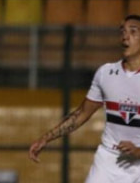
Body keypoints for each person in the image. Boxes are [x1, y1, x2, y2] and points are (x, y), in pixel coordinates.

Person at [29, 15, 140, 182]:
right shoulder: (106, 73)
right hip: (108, 161)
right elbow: (81, 113)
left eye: (133, 31)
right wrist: (46, 138)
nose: (125, 36)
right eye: (122, 31)